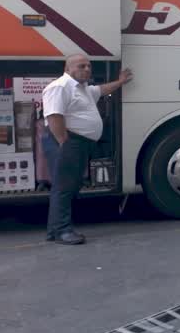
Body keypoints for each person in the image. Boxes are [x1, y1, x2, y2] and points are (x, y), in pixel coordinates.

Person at [41, 56, 132, 245]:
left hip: (77, 143)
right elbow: (54, 116)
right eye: (81, 66)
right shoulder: (60, 87)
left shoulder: (83, 89)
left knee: (71, 186)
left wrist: (121, 81)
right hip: (68, 142)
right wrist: (63, 142)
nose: (87, 69)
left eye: (89, 66)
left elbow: (102, 89)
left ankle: (54, 230)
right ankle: (62, 231)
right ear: (67, 68)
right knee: (64, 188)